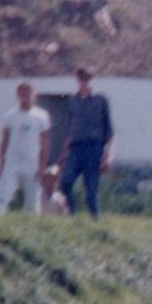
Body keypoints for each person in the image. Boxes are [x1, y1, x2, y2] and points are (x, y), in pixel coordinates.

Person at [58, 67, 114, 219]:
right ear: (78, 80)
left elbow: (109, 130)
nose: (85, 82)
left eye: (88, 79)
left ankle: (95, 223)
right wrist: (64, 153)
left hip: (94, 148)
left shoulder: (101, 100)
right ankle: (73, 214)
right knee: (65, 182)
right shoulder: (72, 101)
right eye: (82, 79)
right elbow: (71, 129)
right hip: (75, 148)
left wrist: (109, 155)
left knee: (91, 191)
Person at [0, 81, 51, 214]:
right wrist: (2, 164)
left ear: (34, 96)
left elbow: (45, 142)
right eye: (22, 95)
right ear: (18, 95)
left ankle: (32, 230)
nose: (25, 98)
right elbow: (4, 141)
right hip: (12, 163)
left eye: (28, 94)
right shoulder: (10, 116)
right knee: (3, 197)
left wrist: (43, 165)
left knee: (33, 203)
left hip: (32, 163)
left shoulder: (41, 116)